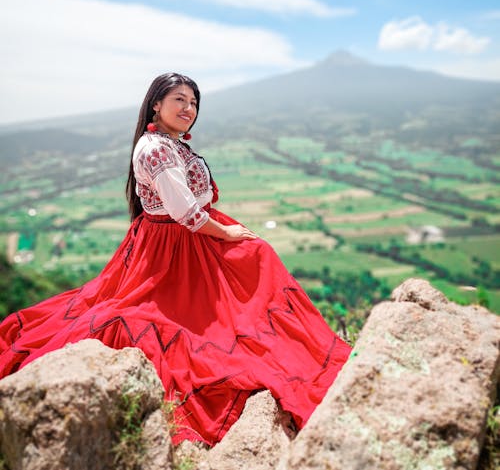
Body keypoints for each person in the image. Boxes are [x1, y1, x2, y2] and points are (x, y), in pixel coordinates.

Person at [0, 72, 351, 445]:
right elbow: (186, 213)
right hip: (173, 248)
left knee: (257, 256)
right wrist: (228, 232)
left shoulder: (169, 142)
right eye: (179, 100)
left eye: (193, 102)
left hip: (189, 240)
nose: (188, 109)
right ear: (156, 104)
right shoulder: (155, 149)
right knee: (218, 296)